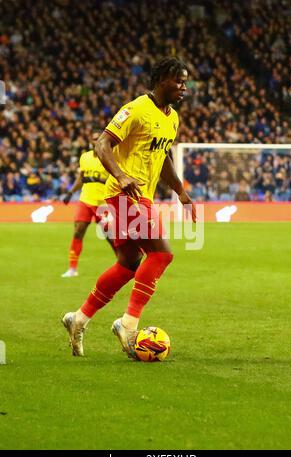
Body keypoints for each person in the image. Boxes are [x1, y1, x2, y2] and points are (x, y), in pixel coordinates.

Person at [62, 57, 196, 358]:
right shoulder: (134, 109)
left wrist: (181, 193)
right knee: (161, 254)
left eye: (186, 82)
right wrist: (121, 175)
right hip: (122, 195)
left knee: (128, 265)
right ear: (162, 79)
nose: (184, 87)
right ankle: (128, 324)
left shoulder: (171, 117)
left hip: (140, 198)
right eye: (179, 81)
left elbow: (162, 158)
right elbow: (102, 143)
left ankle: (78, 319)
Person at [61, 132, 114, 277]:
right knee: (78, 230)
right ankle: (72, 268)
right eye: (94, 139)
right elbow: (81, 178)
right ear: (91, 141)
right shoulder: (85, 157)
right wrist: (70, 192)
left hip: (103, 203)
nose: (96, 141)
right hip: (86, 200)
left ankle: (124, 264)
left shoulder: (111, 156)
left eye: (99, 139)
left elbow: (116, 178)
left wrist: (99, 180)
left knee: (111, 236)